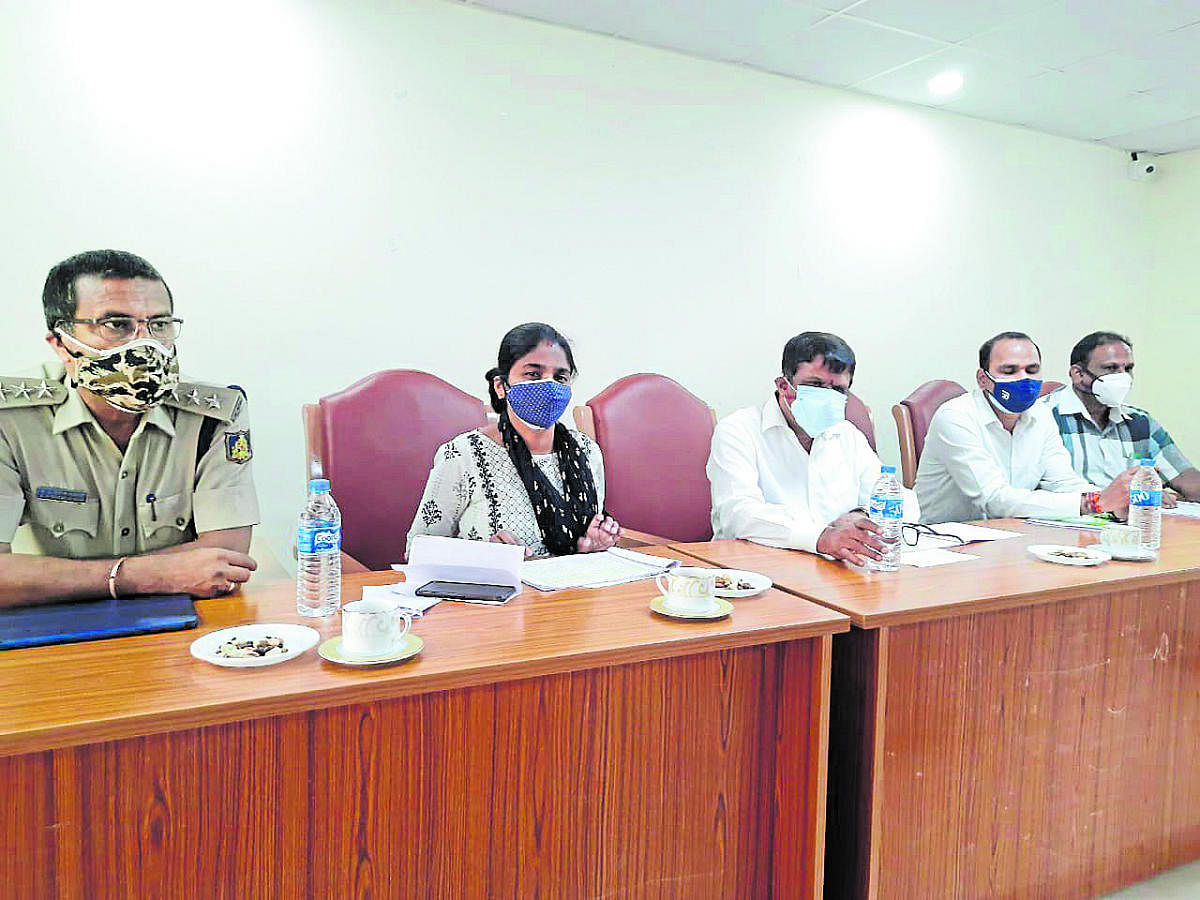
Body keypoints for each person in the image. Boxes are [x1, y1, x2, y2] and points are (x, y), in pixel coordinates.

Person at [0, 250, 259, 608]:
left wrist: (59, 576)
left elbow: (226, 556)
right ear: (61, 344)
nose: (145, 344)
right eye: (117, 325)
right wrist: (143, 576)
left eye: (159, 324)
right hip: (52, 624)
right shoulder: (9, 417)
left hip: (183, 619)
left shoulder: (215, 413)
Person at [407, 322, 620, 558]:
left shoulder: (586, 451)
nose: (549, 386)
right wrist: (485, 557)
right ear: (501, 385)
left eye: (560, 377)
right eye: (533, 374)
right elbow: (418, 551)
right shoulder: (463, 454)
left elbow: (584, 552)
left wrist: (588, 548)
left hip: (574, 593)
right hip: (494, 592)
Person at [706, 331, 919, 567]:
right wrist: (820, 537)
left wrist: (862, 516)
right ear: (783, 386)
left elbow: (904, 503)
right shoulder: (738, 431)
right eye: (814, 385)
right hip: (755, 570)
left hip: (837, 570)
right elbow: (738, 514)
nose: (826, 397)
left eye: (837, 390)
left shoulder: (847, 434)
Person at [915, 331, 1134, 524]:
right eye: (1009, 371)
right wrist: (1094, 503)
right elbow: (993, 500)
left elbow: (1062, 481)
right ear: (983, 379)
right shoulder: (955, 417)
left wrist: (1114, 503)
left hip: (1012, 538)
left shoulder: (1041, 414)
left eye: (1032, 370)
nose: (1024, 379)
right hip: (947, 542)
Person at [1047, 331, 1199, 502]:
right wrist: (1126, 497)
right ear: (1079, 374)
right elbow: (1042, 487)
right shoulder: (1044, 416)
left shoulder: (1140, 422)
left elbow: (1184, 476)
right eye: (1111, 368)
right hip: (1071, 521)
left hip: (1134, 522)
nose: (1123, 377)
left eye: (1128, 369)